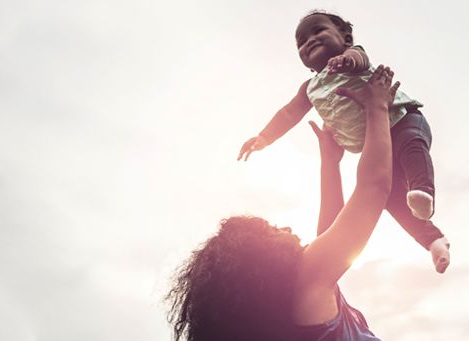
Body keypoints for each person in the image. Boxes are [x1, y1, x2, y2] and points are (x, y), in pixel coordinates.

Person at [166, 65, 395, 341]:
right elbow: (374, 187)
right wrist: (377, 108)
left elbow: (330, 232)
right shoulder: (306, 282)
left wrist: (330, 163)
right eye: (272, 231)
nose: (285, 228)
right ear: (259, 264)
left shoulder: (288, 307)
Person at [237, 11, 450, 273]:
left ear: (346, 38)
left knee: (412, 146)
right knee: (391, 199)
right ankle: (433, 240)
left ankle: (424, 190)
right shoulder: (310, 88)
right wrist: (264, 137)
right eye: (302, 41)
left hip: (402, 119)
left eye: (318, 31)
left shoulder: (352, 56)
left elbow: (358, 59)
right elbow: (289, 113)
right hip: (377, 145)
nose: (309, 41)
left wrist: (346, 62)